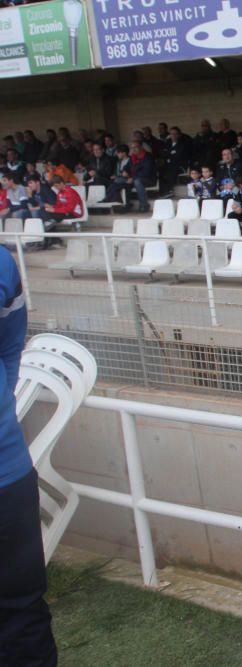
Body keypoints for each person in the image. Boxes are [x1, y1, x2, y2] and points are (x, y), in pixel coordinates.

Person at [0, 247, 58, 667]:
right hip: (8, 472)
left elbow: (10, 348)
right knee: (22, 612)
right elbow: (10, 351)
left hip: (7, 474)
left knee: (21, 610)